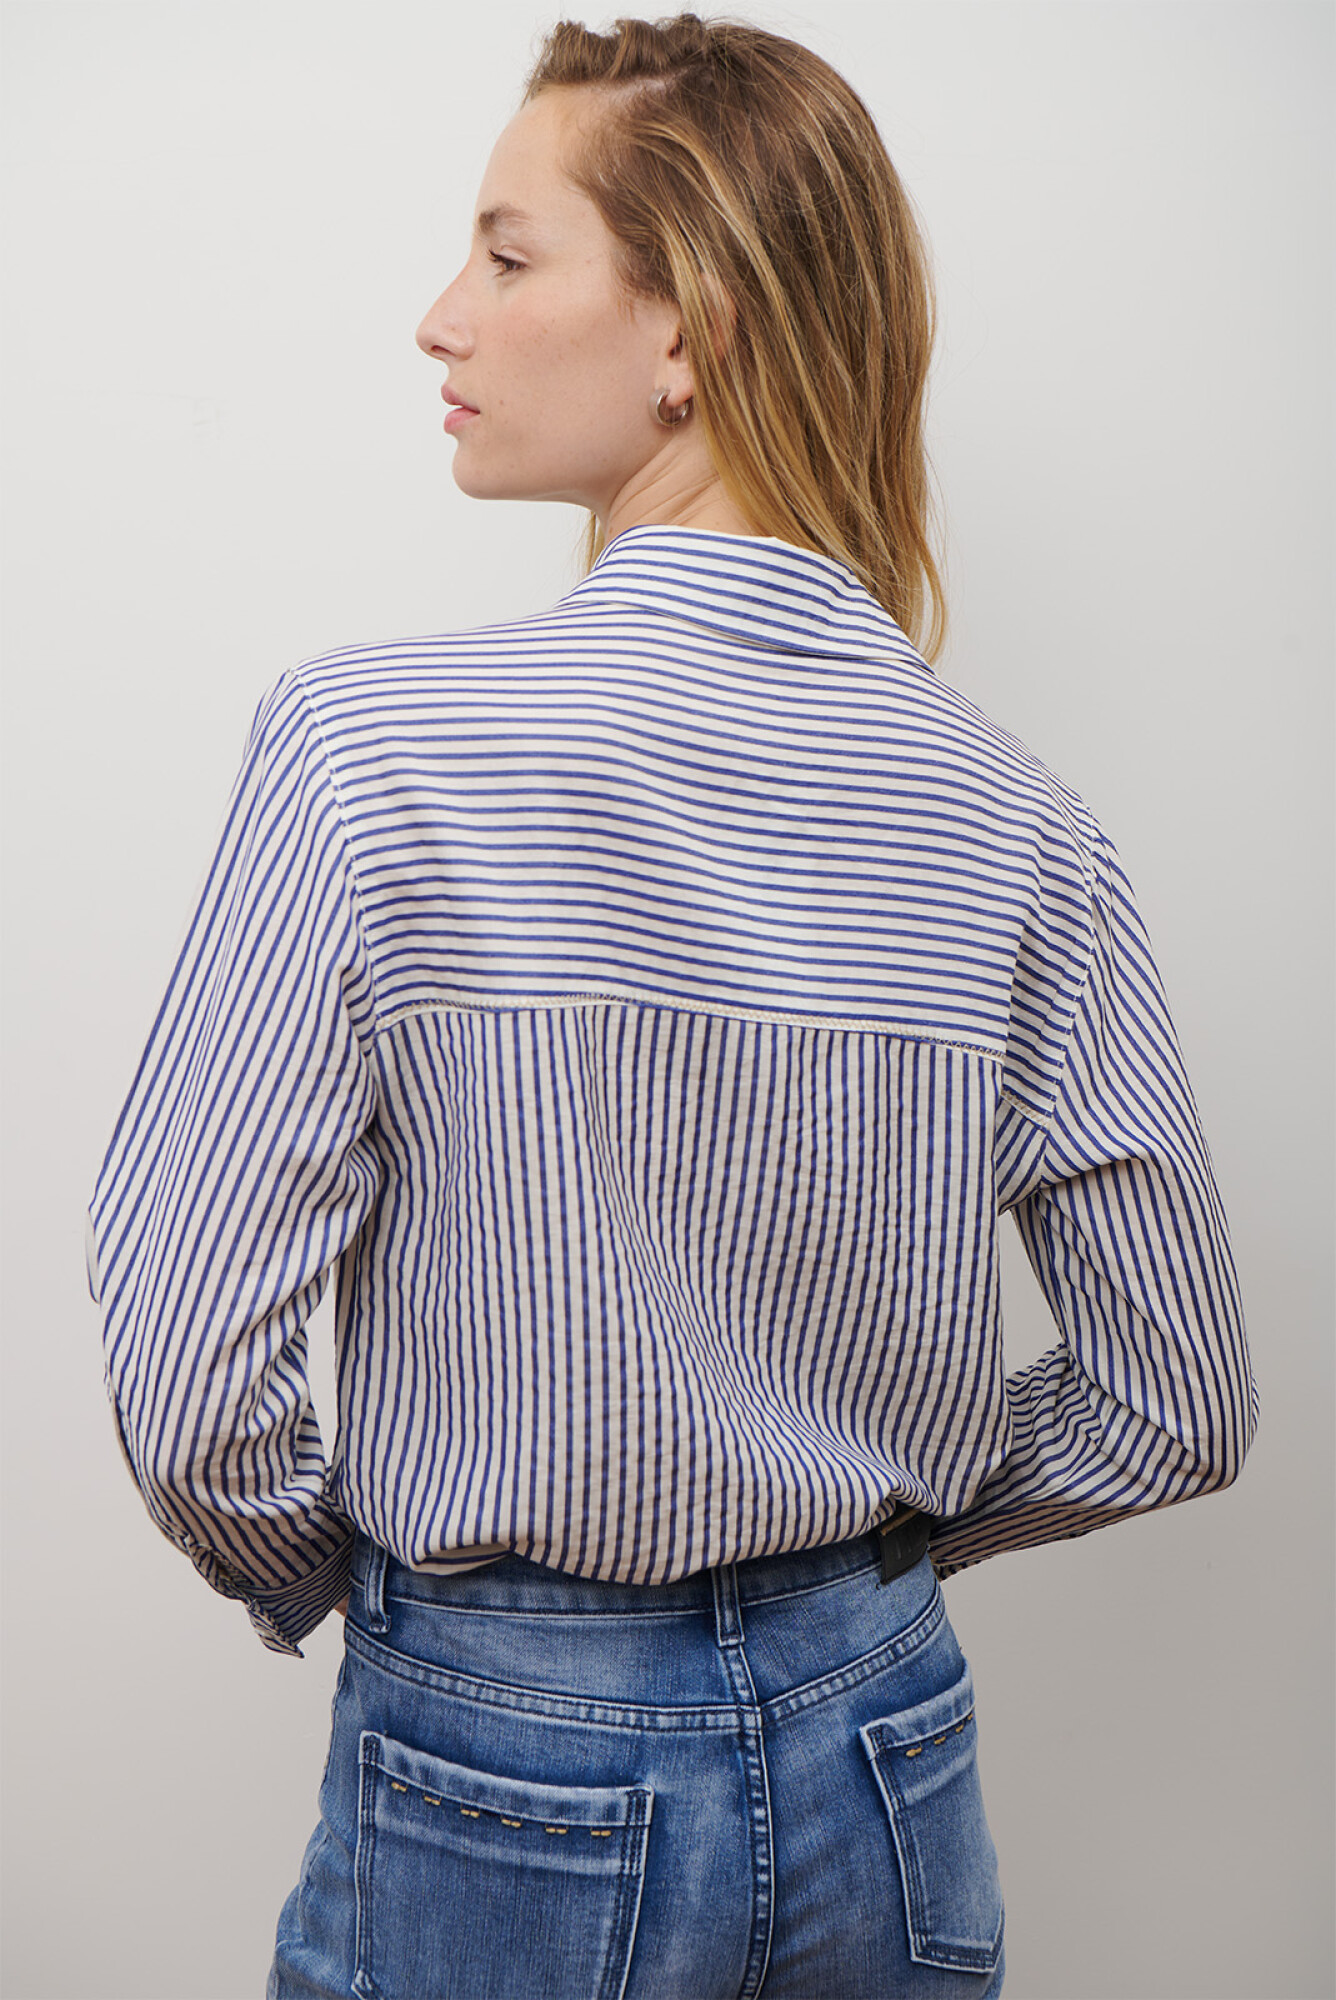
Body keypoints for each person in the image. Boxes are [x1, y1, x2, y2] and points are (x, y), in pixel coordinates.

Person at [87, 14, 1257, 1997]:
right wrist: (860, 1545)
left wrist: (393, 1590)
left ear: (690, 329)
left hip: (506, 1758)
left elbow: (193, 1372)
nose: (441, 315)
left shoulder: (369, 752)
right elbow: (1173, 1397)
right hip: (891, 1744)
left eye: (507, 252)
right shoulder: (1018, 824)